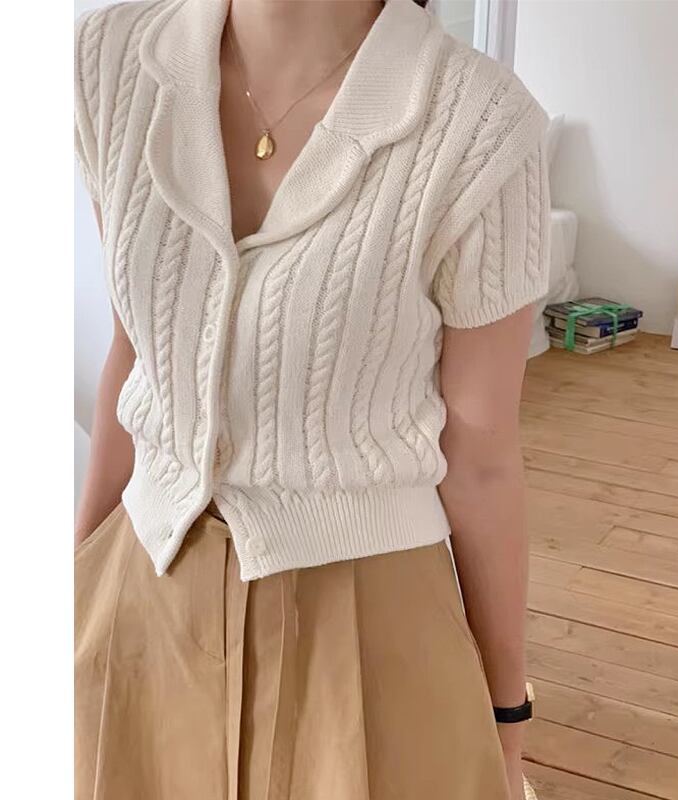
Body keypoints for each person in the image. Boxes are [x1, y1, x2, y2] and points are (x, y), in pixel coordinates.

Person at [73, 0, 550, 797]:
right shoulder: (108, 59)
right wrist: (79, 584)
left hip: (366, 631)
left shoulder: (481, 125)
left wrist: (505, 714)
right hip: (138, 600)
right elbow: (134, 358)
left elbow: (481, 457)